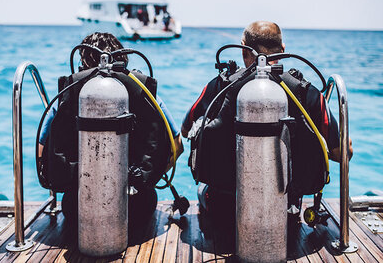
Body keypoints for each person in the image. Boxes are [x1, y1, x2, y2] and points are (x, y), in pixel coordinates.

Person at [182, 21, 353, 226]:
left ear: (244, 50)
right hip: (284, 215)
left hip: (224, 212)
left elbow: (185, 130)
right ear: (282, 50)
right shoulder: (307, 93)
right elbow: (341, 154)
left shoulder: (220, 86)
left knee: (204, 190)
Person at [39, 32, 183, 226]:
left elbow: (43, 153)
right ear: (123, 60)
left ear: (82, 63)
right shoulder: (144, 91)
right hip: (138, 208)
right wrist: (147, 177)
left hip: (78, 209)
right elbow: (177, 145)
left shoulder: (69, 93)